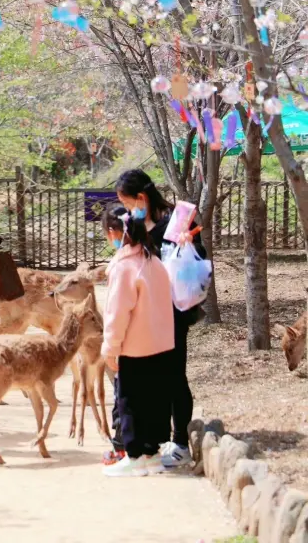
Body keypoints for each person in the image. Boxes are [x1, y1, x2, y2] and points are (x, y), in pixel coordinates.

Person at [115, 168, 207, 469]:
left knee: (174, 375)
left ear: (142, 197)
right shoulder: (135, 224)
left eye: (130, 203)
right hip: (147, 312)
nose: (129, 210)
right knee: (152, 379)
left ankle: (180, 441)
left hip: (175, 310)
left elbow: (198, 254)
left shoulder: (178, 219)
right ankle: (159, 440)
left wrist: (187, 243)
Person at [101, 206, 175, 477]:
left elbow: (116, 312)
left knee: (130, 401)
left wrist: (111, 347)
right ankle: (152, 455)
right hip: (161, 345)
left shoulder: (124, 266)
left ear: (113, 233)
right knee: (154, 401)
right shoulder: (154, 261)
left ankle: (134, 456)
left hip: (134, 347)